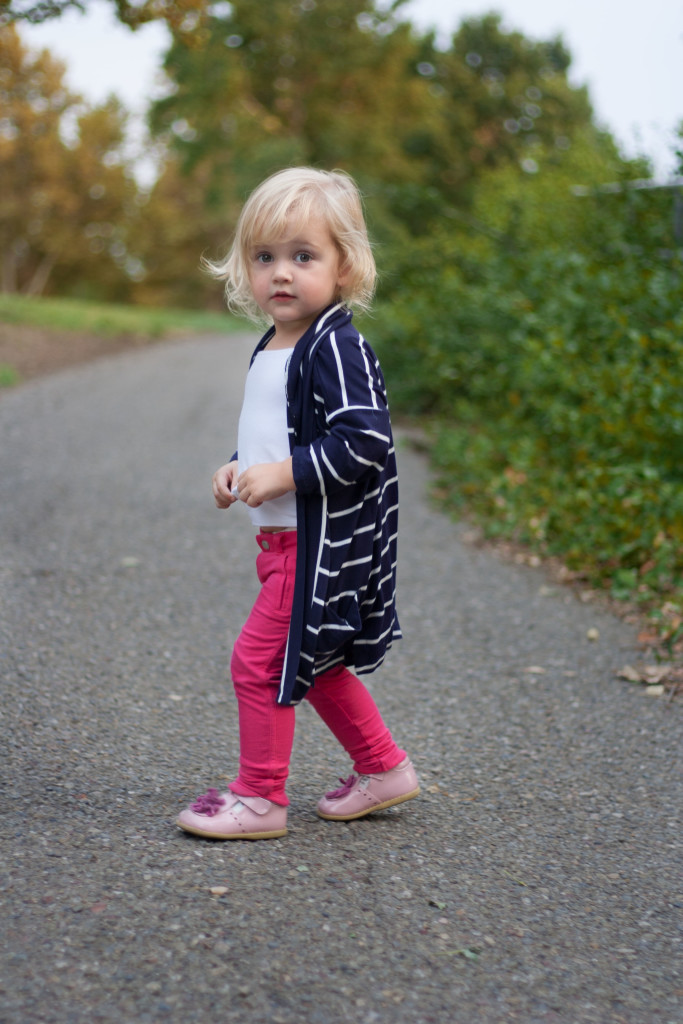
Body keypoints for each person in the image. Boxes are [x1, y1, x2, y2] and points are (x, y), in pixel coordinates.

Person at [177, 167, 419, 840]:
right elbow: (278, 433)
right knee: (309, 664)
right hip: (280, 542)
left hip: (317, 548)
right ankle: (383, 767)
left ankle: (259, 798)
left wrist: (284, 473)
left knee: (256, 662)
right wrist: (238, 468)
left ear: (344, 267)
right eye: (265, 257)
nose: (281, 273)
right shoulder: (274, 345)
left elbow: (364, 441)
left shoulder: (337, 346)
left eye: (302, 256)